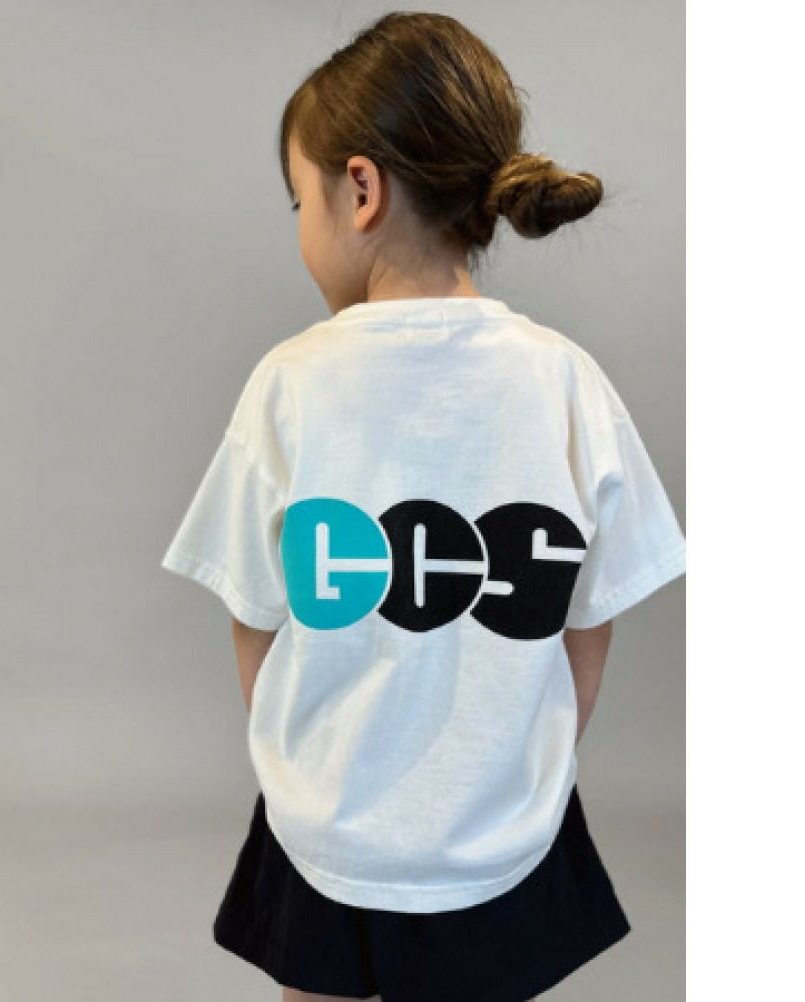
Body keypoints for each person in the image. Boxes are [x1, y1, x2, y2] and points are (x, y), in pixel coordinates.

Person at [160, 11, 685, 1002]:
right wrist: (528, 756)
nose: (301, 229)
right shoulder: (567, 382)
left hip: (325, 828)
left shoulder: (289, 383)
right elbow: (591, 617)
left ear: (360, 190)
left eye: (301, 201)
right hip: (503, 829)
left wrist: (305, 765)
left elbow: (253, 618)